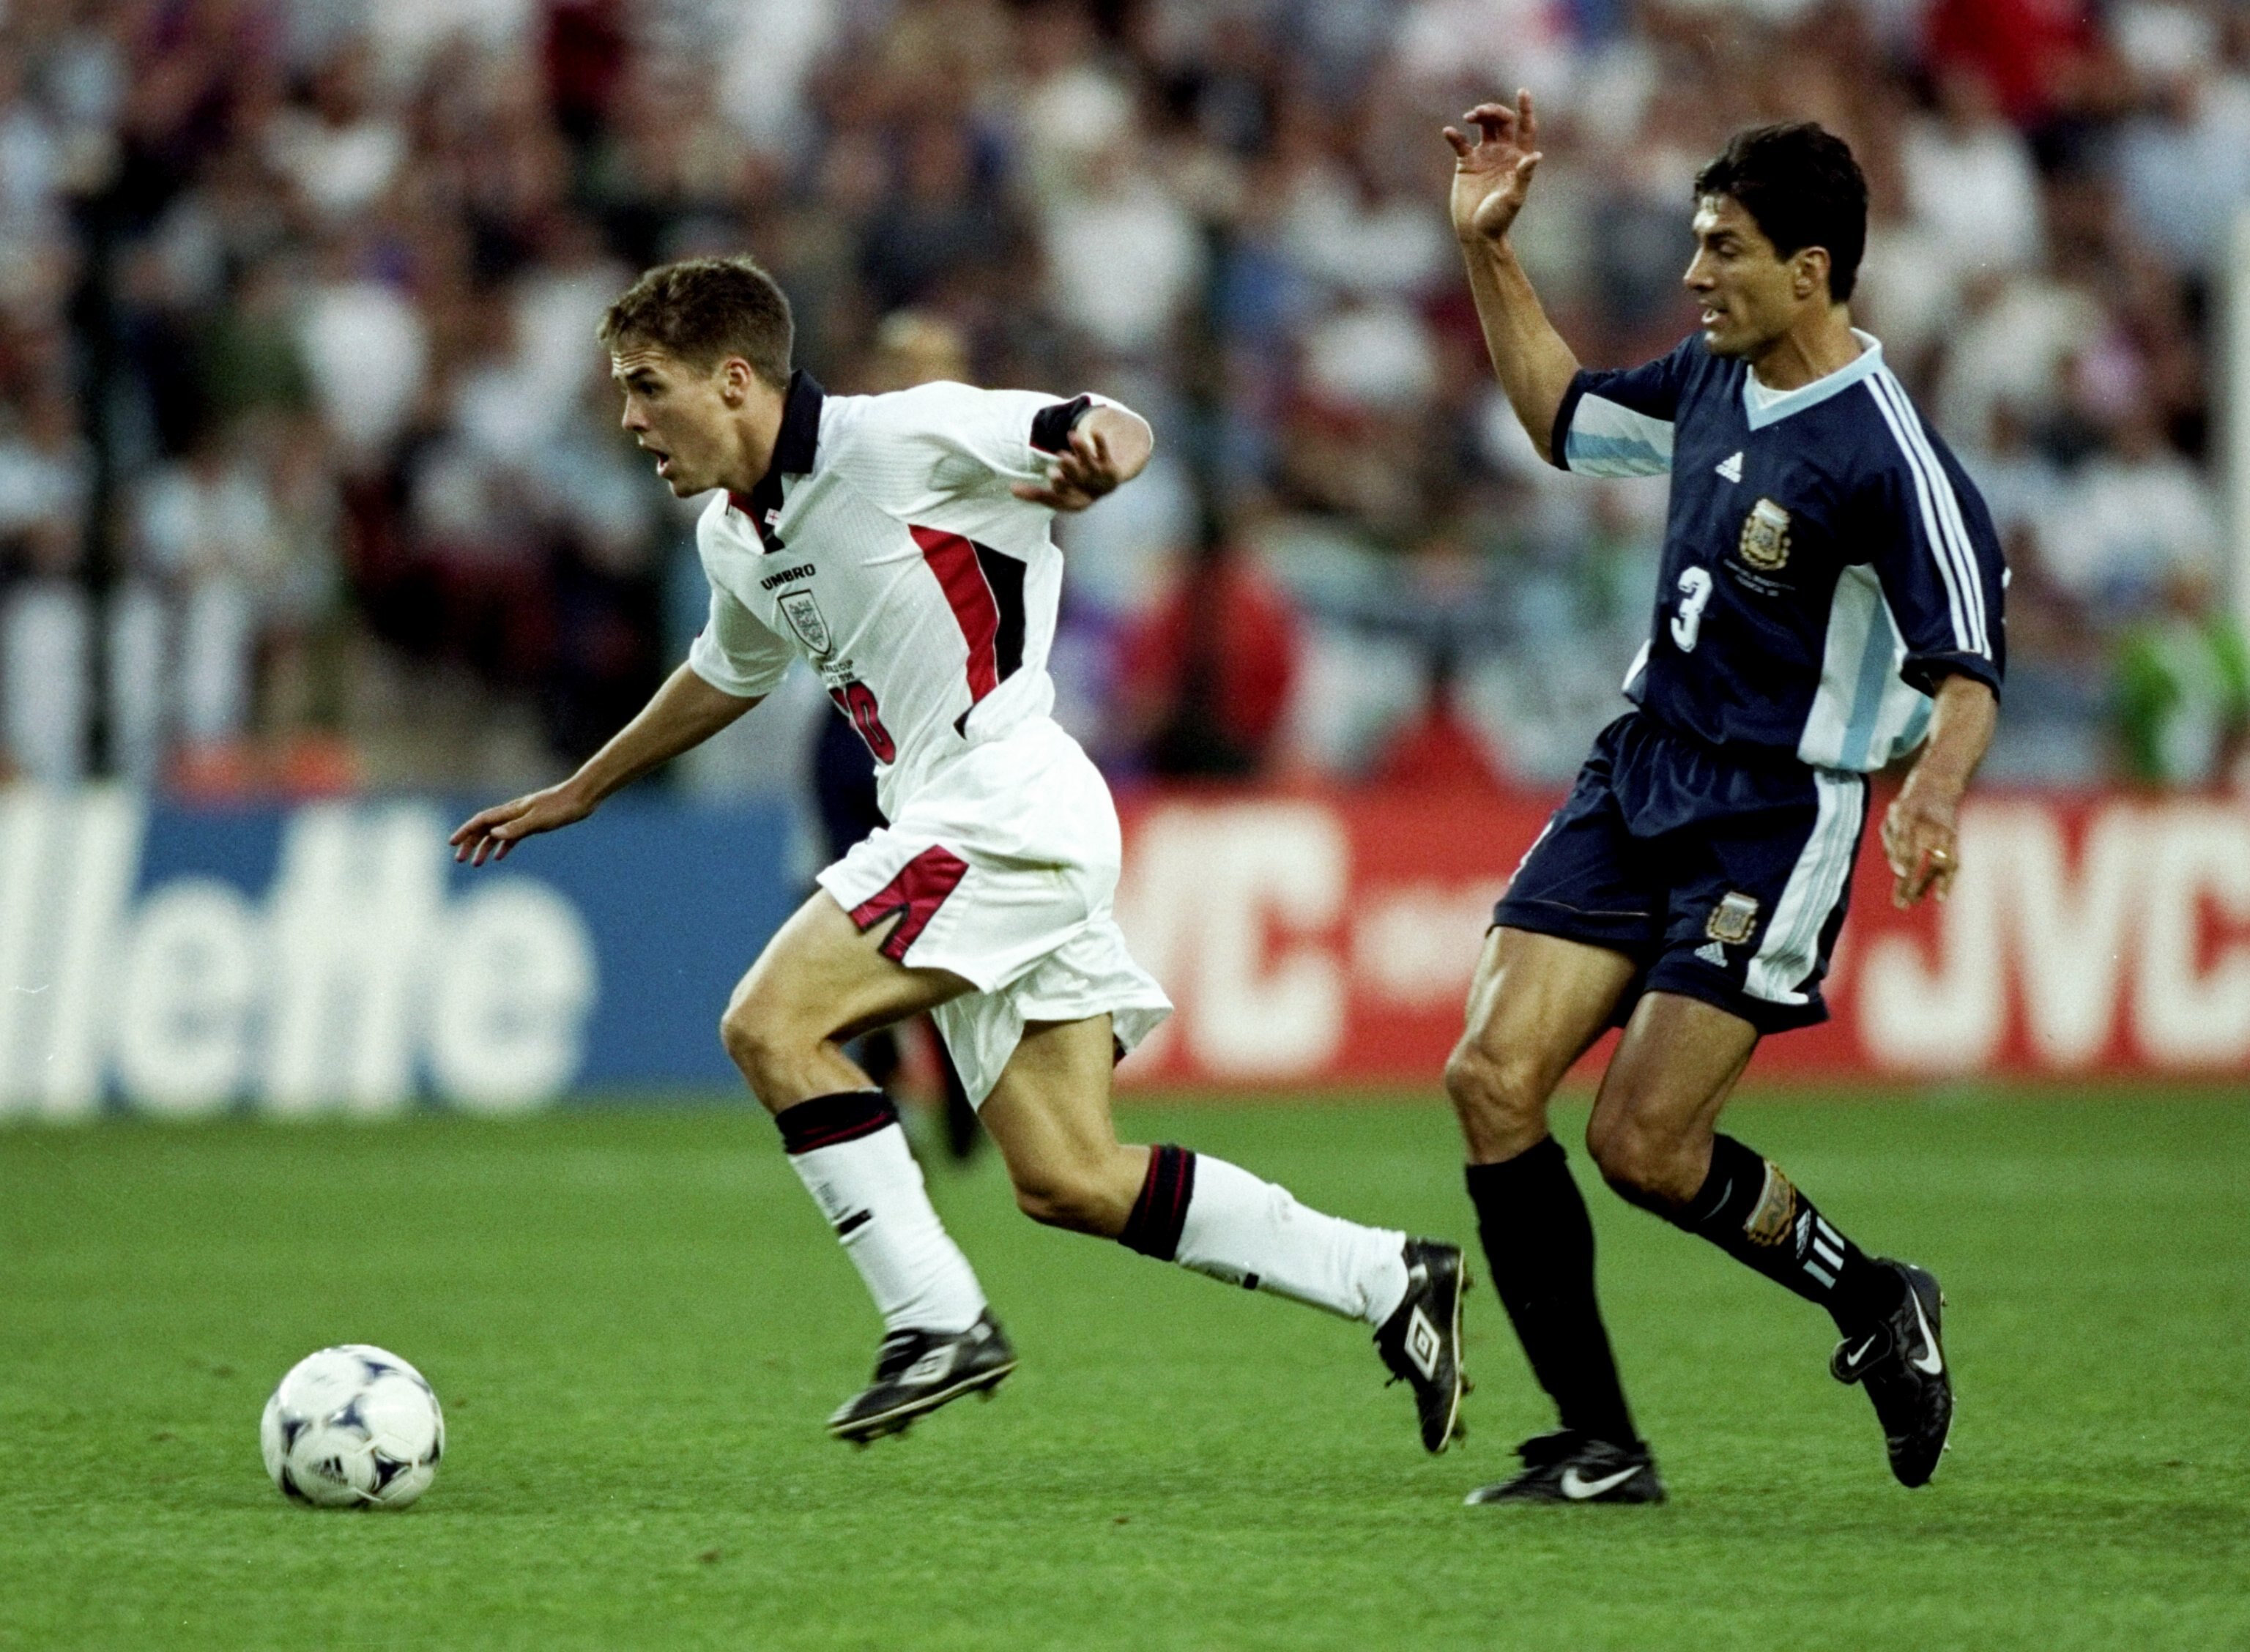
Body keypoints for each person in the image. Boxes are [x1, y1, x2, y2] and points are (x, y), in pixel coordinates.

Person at [450, 258, 1467, 1450]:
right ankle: (1389, 1276)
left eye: (646, 387)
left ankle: (933, 1319)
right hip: (967, 819)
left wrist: (1102, 460)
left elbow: (1101, 421)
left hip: (1002, 801)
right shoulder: (737, 534)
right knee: (1071, 1178)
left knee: (770, 1025)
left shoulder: (903, 437)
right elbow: (726, 669)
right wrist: (584, 788)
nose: (628, 420)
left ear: (733, 381)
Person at [1439, 102, 2004, 1503]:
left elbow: (1970, 666)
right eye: (1698, 244)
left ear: (1810, 271)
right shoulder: (1709, 380)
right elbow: (1562, 418)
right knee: (1490, 1081)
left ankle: (1872, 1298)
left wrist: (1930, 793)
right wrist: (1487, 254)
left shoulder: (1889, 456)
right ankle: (1599, 1447)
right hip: (1641, 768)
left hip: (1775, 814)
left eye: (1725, 250)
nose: (1696, 275)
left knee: (1642, 1146)